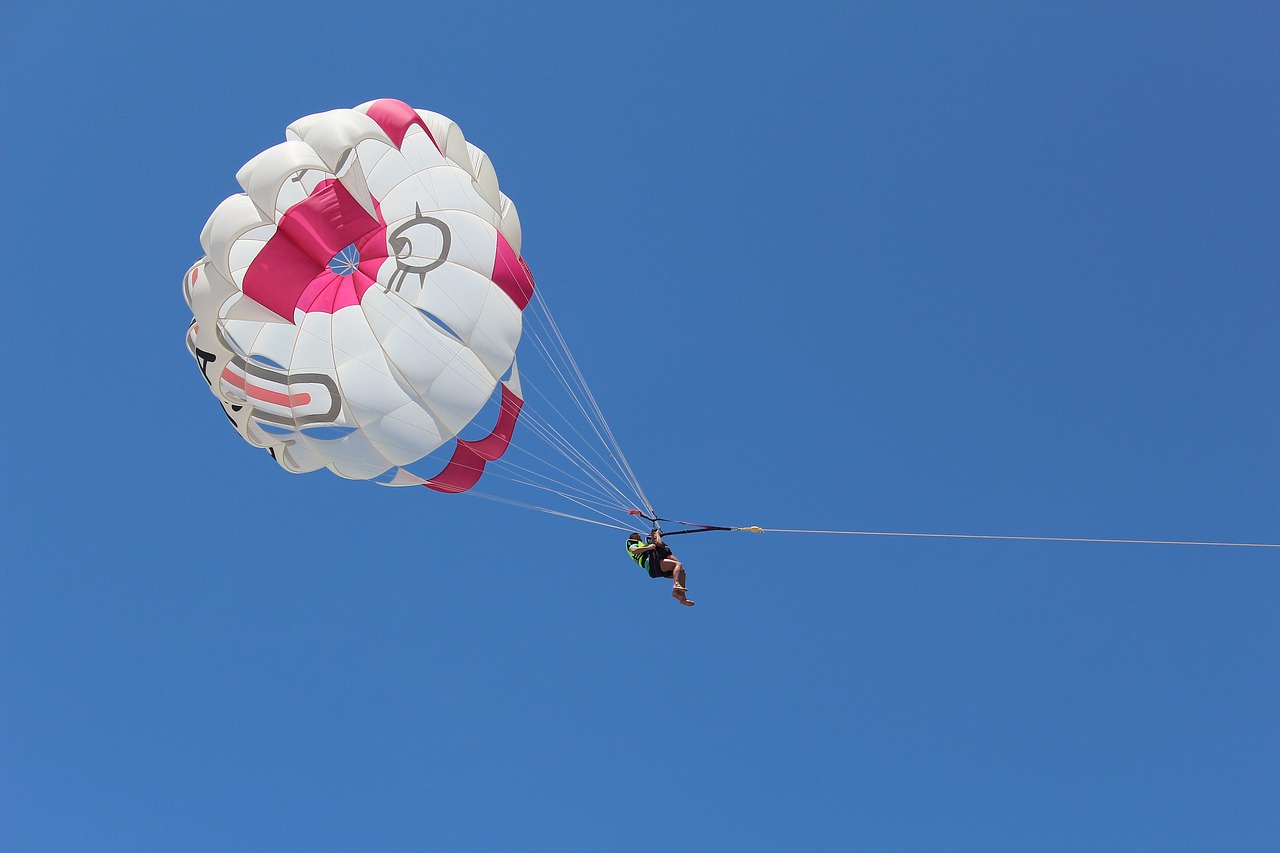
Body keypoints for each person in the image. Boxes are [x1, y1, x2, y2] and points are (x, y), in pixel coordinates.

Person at [626, 530, 695, 606]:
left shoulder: (645, 544)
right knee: (677, 565)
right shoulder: (632, 543)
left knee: (682, 571)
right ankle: (676, 584)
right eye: (637, 536)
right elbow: (634, 550)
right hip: (651, 564)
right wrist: (651, 543)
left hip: (656, 569)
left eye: (639, 536)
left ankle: (682, 598)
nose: (640, 537)